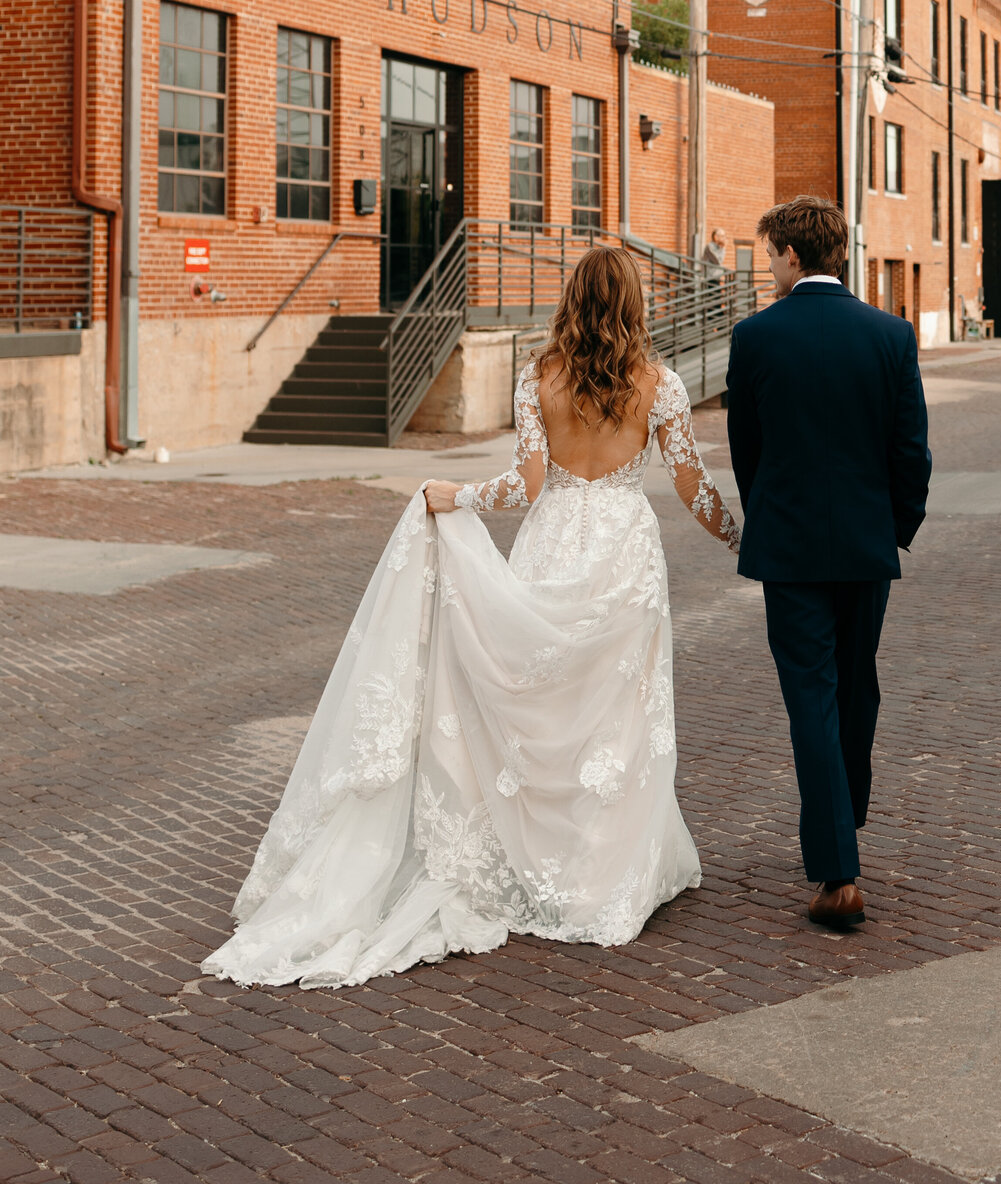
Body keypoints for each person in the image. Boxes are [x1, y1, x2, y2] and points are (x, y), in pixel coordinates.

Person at [202, 246, 740, 988]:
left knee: (533, 709)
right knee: (617, 717)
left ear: (572, 301)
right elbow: (691, 486)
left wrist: (459, 497)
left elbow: (525, 484)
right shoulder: (663, 386)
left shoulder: (538, 378)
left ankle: (536, 859)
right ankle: (600, 871)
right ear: (635, 304)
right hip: (623, 558)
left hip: (552, 544)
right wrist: (744, 537)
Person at [725, 196, 930, 932]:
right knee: (855, 687)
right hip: (868, 544)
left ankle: (838, 871)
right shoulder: (890, 334)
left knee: (812, 696)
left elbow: (746, 450)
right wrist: (893, 527)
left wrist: (769, 517)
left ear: (788, 254)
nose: (766, 265)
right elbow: (912, 451)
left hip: (790, 547)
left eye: (767, 253)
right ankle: (845, 826)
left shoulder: (755, 337)